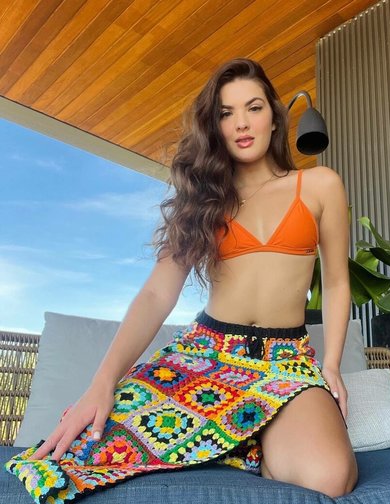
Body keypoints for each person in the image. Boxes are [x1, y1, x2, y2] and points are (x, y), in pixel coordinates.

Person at [5, 57, 358, 501]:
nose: (241, 123)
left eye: (253, 108)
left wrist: (330, 364)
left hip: (285, 362)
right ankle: (241, 435)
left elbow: (337, 282)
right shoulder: (203, 198)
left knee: (331, 478)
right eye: (226, 113)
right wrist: (102, 383)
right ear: (215, 127)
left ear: (274, 117)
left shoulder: (320, 184)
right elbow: (157, 293)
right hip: (206, 358)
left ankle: (249, 440)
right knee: (76, 455)